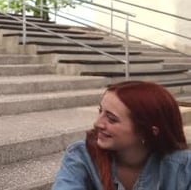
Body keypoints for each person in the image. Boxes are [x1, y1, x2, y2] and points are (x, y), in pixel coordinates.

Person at [52, 80, 191, 190]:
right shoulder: (81, 155)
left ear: (147, 131)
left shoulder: (183, 167)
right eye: (100, 111)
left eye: (111, 118)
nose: (97, 123)